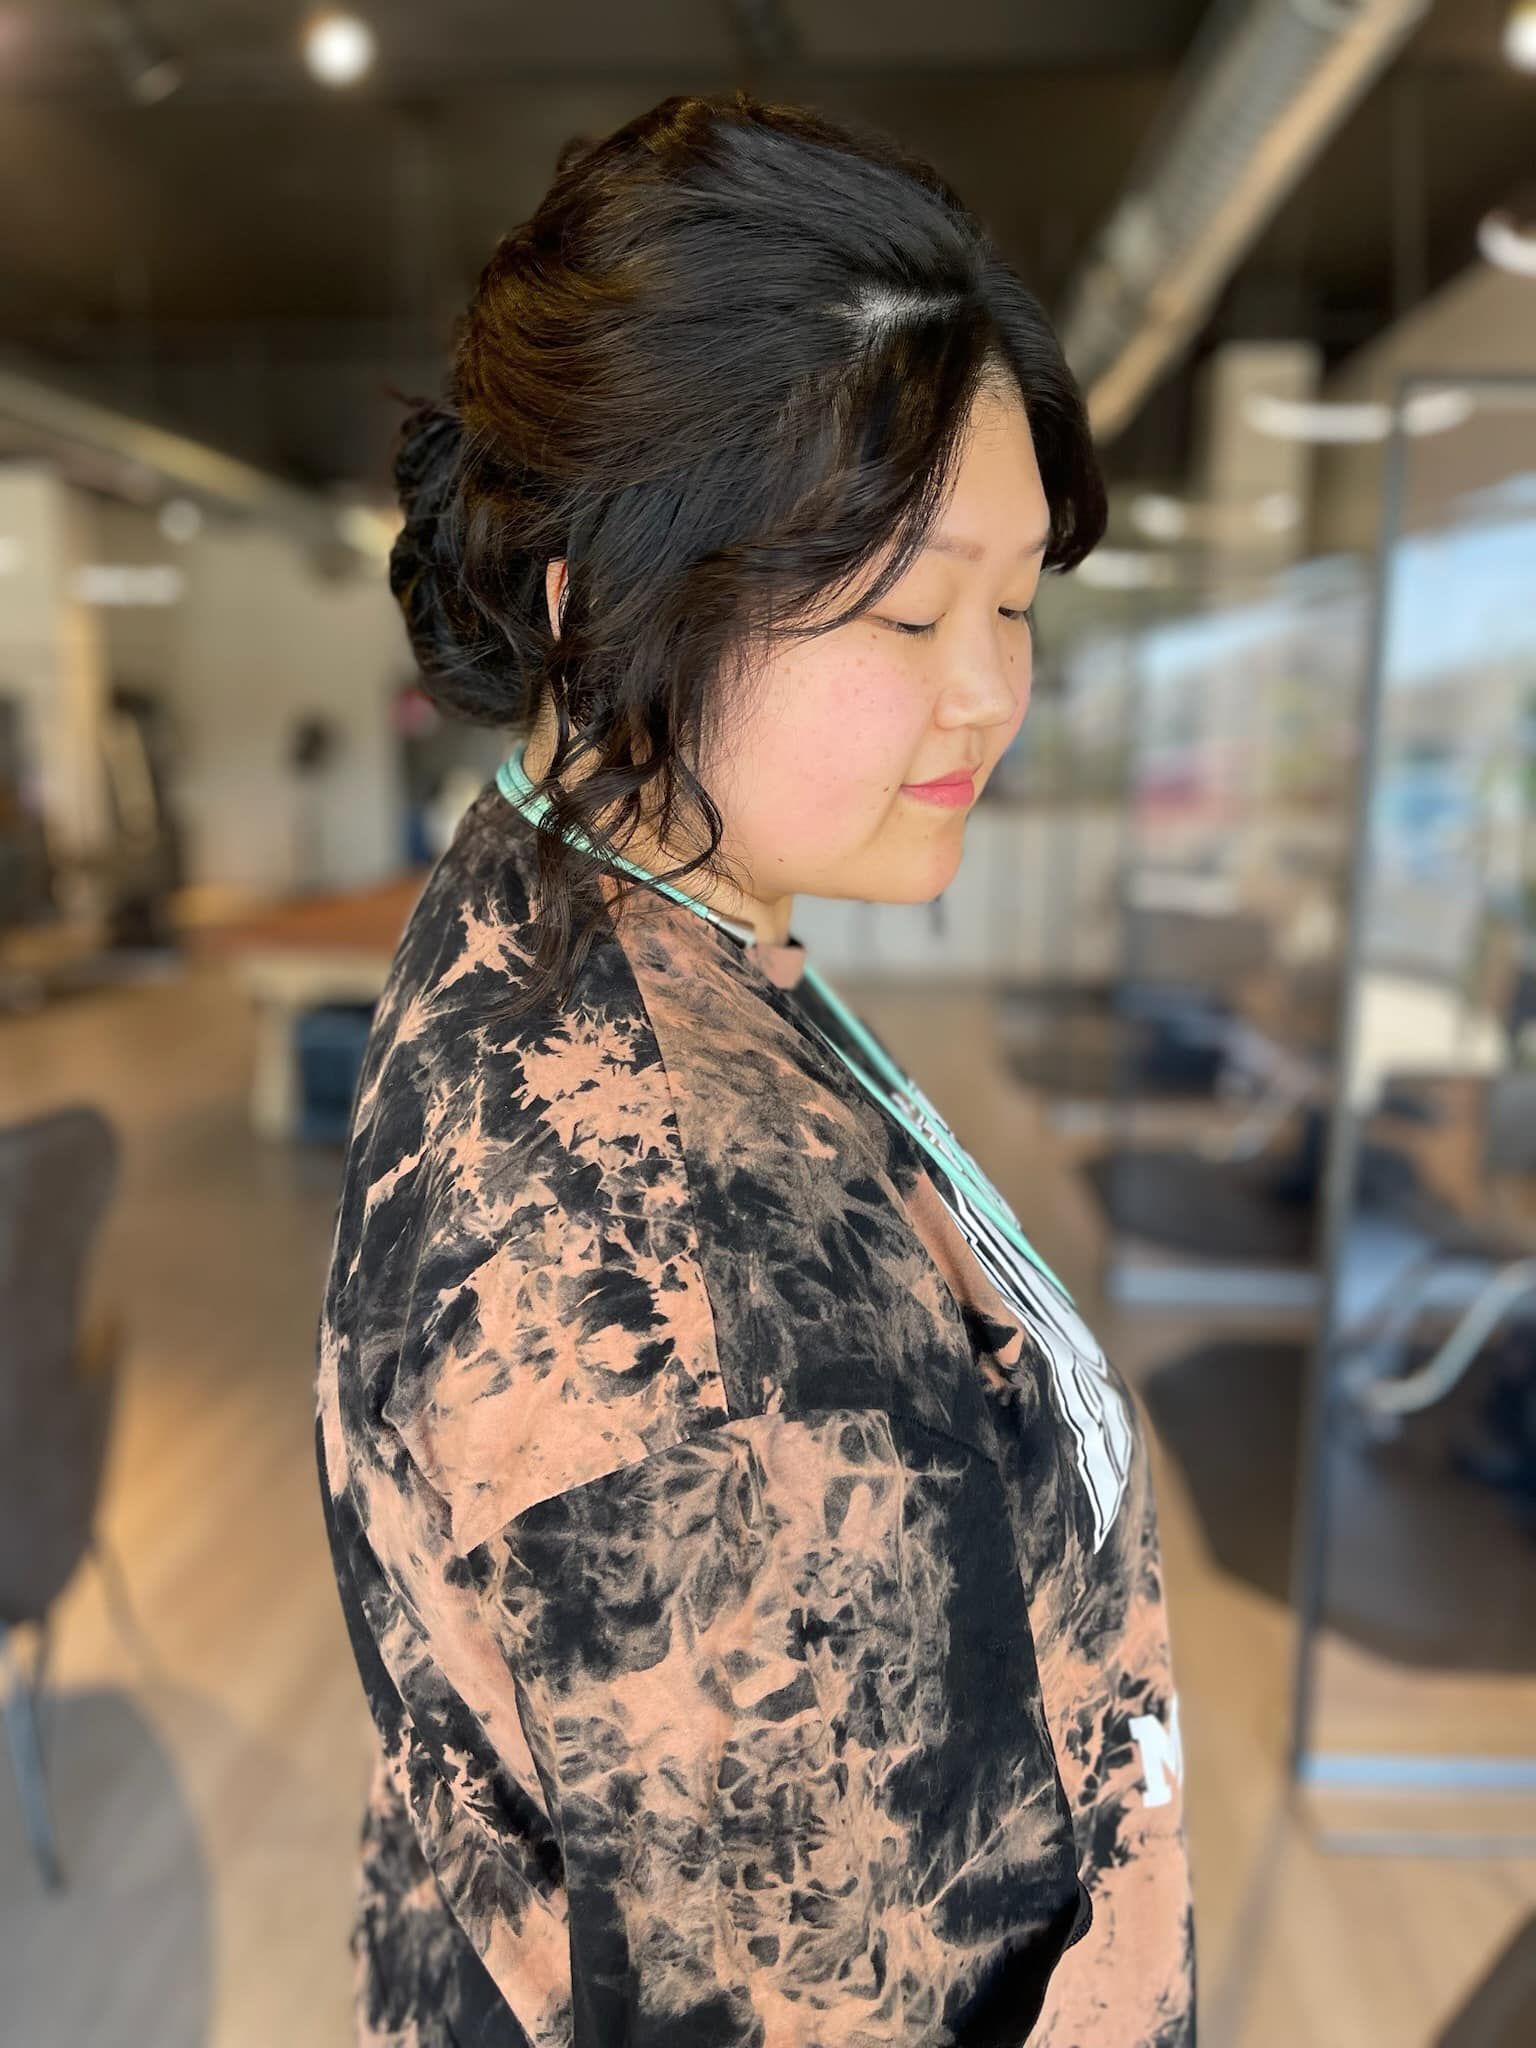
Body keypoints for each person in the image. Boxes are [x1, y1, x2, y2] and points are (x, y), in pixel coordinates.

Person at [315, 87, 1195, 2048]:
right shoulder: (700, 1318)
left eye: (1015, 603)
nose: (991, 688)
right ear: (597, 598)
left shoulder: (548, 887)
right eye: (906, 608)